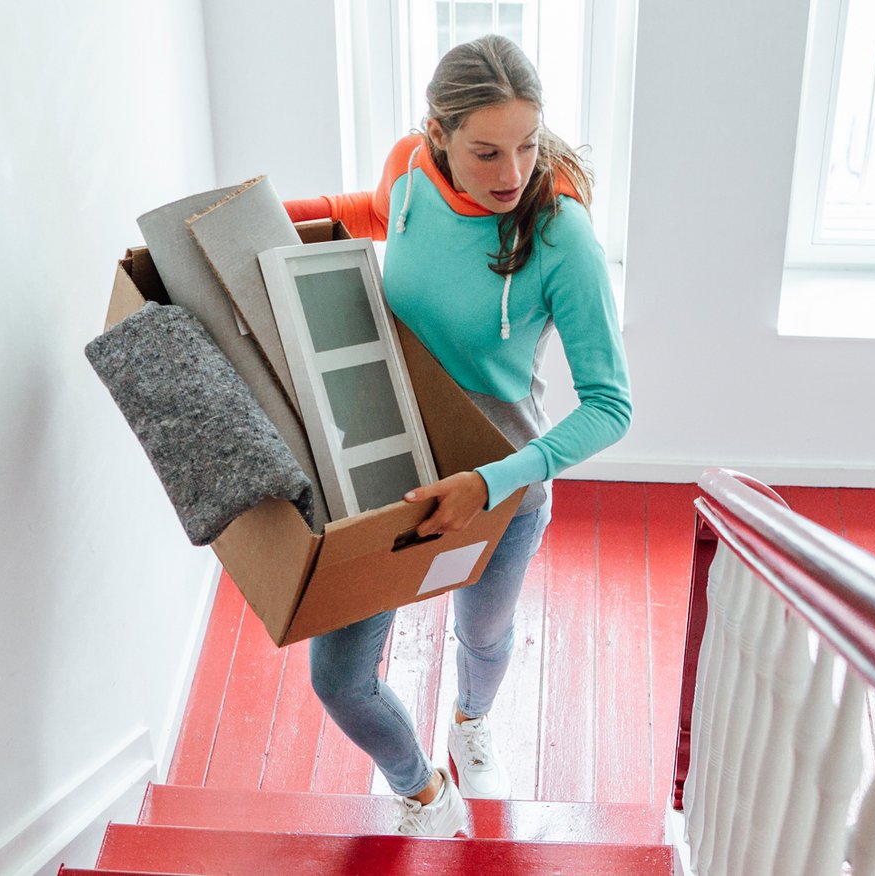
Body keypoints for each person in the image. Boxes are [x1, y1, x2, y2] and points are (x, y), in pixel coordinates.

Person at [282, 34, 631, 837]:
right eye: (485, 152)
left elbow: (611, 405)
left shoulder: (560, 237)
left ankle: (472, 724)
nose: (512, 174)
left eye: (527, 146)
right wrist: (245, 216)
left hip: (497, 489)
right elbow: (372, 214)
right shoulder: (409, 165)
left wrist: (496, 482)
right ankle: (420, 792)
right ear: (436, 135)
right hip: (386, 467)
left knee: (484, 631)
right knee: (339, 679)